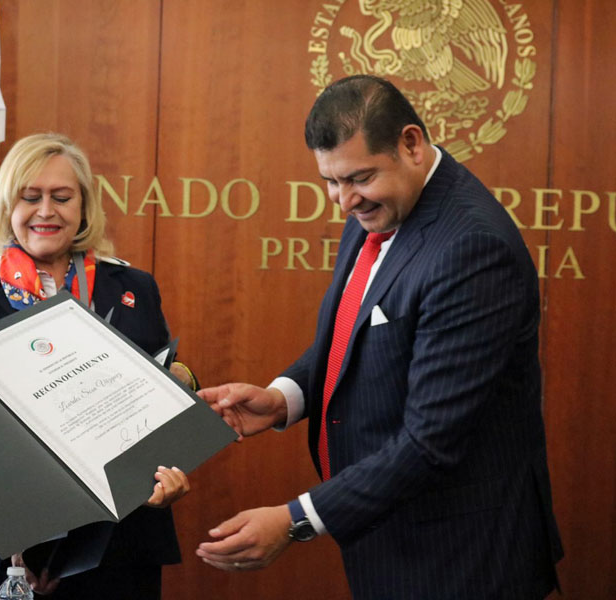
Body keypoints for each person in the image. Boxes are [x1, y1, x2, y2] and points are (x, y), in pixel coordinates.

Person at [196, 75, 563, 598]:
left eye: (357, 178)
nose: (342, 201)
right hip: (390, 534)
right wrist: (285, 398)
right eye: (330, 180)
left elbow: (430, 442)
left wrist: (296, 519)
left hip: (462, 555)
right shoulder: (378, 202)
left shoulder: (474, 249)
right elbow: (358, 334)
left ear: (411, 144)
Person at [0, 132, 192, 600]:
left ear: (83, 206)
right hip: (19, 549)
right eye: (30, 197)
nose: (46, 211)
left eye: (62, 197)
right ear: (6, 206)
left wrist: (167, 474)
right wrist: (9, 550)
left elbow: (163, 397)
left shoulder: (132, 285)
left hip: (125, 535)